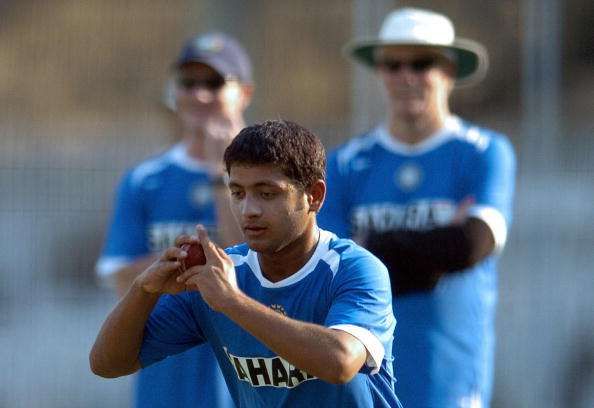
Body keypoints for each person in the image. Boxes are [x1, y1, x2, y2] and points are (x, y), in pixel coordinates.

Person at [90, 119, 402, 408]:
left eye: (267, 193)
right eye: (237, 193)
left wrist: (233, 302)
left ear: (314, 196)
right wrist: (143, 289)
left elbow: (340, 362)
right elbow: (107, 363)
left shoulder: (353, 268)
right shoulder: (223, 275)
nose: (248, 210)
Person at [318, 8, 516, 408]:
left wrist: (371, 246)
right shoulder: (344, 164)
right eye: (393, 64)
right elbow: (331, 269)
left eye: (421, 63)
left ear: (449, 70)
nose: (406, 76)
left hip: (449, 378)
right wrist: (433, 256)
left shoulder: (482, 152)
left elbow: (472, 245)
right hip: (363, 377)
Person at [95, 32, 254, 408]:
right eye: (188, 82)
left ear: (244, 93)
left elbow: (251, 263)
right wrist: (190, 260)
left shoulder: (269, 178)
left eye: (214, 83)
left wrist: (222, 174)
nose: (199, 95)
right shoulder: (146, 179)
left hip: (243, 369)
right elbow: (121, 280)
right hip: (166, 375)